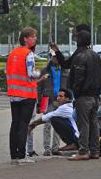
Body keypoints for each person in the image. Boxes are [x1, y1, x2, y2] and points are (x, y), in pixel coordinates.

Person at [6, 27, 46, 165]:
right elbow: (31, 73)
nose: (35, 39)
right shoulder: (28, 54)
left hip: (14, 94)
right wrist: (39, 72)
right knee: (24, 124)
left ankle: (14, 156)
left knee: (15, 124)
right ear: (25, 38)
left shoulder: (13, 53)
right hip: (27, 94)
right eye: (33, 36)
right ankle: (22, 155)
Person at [67, 31, 101, 161]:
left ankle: (83, 151)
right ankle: (95, 151)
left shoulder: (80, 56)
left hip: (83, 95)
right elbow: (100, 75)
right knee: (94, 124)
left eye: (77, 38)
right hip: (95, 96)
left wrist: (75, 93)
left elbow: (78, 78)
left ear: (80, 40)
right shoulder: (95, 55)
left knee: (84, 124)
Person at [37, 52, 69, 156]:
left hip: (61, 101)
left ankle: (55, 148)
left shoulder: (65, 71)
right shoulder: (45, 71)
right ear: (50, 58)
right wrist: (39, 102)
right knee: (47, 124)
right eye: (53, 57)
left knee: (59, 125)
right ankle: (47, 149)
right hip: (49, 100)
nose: (55, 59)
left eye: (57, 57)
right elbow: (39, 88)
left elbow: (69, 87)